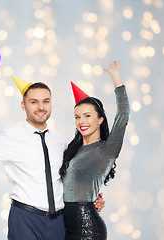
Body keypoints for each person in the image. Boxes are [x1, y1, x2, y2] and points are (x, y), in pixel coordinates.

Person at [0, 76, 105, 240]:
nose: (41, 107)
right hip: (25, 219)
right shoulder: (9, 138)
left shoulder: (59, 140)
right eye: (34, 102)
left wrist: (90, 198)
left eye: (46, 101)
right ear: (23, 105)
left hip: (58, 222)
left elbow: (68, 179)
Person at [59, 61, 130, 240]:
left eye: (87, 116)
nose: (81, 121)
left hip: (87, 228)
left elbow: (123, 114)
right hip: (63, 224)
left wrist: (116, 78)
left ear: (100, 119)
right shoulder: (72, 150)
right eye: (77, 117)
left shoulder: (106, 150)